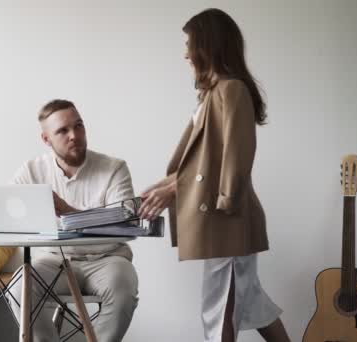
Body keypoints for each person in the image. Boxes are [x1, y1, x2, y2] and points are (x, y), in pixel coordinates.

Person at [138, 8, 290, 342]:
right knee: (250, 303)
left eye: (190, 43)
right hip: (226, 221)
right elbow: (195, 163)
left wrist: (179, 191)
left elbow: (234, 159)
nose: (185, 53)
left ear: (208, 46)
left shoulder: (231, 90)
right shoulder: (211, 95)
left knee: (220, 311)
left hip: (229, 220)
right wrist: (163, 187)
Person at [10, 99, 138, 342]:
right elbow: (11, 216)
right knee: (18, 288)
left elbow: (124, 221)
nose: (74, 135)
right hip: (54, 260)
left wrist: (68, 211)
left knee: (123, 289)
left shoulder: (114, 168)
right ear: (46, 139)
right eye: (63, 130)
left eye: (78, 126)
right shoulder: (31, 171)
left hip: (107, 259)